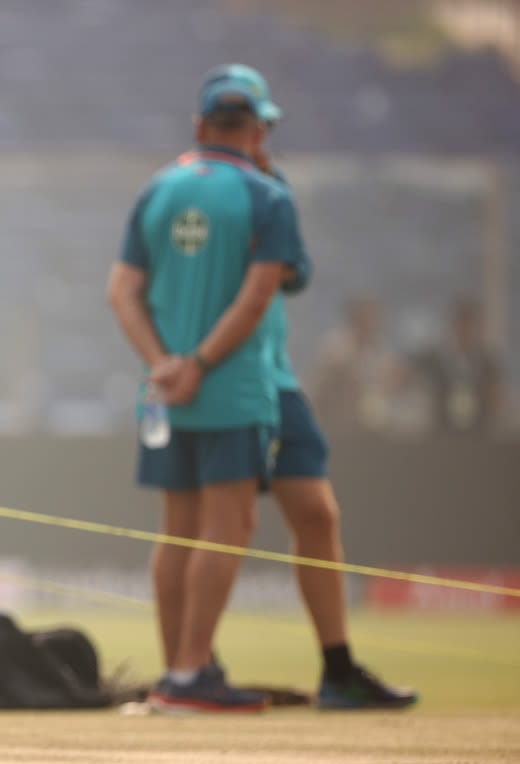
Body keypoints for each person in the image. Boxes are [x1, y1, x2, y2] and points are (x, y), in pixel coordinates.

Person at [106, 67, 305, 713]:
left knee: (178, 529)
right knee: (229, 525)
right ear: (255, 130)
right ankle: (193, 673)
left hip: (162, 391)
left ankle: (176, 671)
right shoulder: (265, 193)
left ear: (197, 125)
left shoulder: (158, 188)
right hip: (230, 389)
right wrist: (200, 363)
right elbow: (258, 297)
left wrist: (164, 363)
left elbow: (122, 291)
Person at [224, 63, 418, 710]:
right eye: (249, 123)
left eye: (262, 125)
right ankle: (191, 668)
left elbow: (295, 274)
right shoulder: (200, 190)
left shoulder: (271, 188)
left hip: (276, 377)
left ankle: (338, 667)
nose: (259, 134)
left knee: (316, 512)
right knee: (219, 521)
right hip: (225, 377)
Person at [308, 295, 421, 437]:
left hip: (375, 417)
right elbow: (324, 385)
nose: (371, 323)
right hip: (341, 417)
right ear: (354, 319)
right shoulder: (336, 345)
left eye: (374, 318)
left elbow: (392, 377)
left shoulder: (379, 347)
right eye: (366, 317)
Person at [412, 296, 510, 436]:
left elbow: (499, 401)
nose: (466, 333)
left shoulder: (490, 365)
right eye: (461, 326)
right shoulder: (431, 362)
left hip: (480, 437)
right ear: (453, 327)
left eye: (471, 327)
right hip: (441, 437)